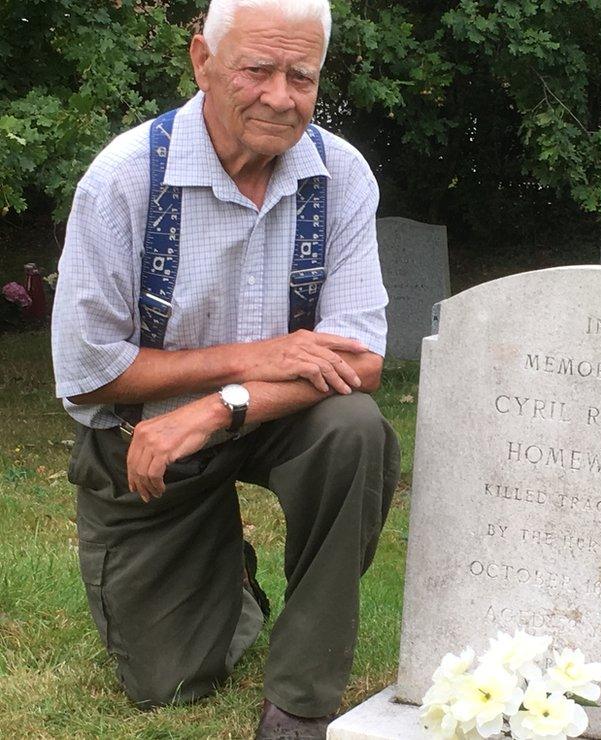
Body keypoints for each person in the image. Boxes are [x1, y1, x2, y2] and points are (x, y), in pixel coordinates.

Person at [50, 0, 400, 737]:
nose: (281, 95)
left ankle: (301, 697)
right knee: (168, 682)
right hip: (146, 447)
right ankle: (228, 574)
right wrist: (253, 355)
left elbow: (360, 359)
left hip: (270, 419)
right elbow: (87, 373)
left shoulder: (340, 173)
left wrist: (220, 405)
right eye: (258, 69)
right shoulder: (121, 180)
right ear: (202, 62)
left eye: (301, 76)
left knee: (353, 429)